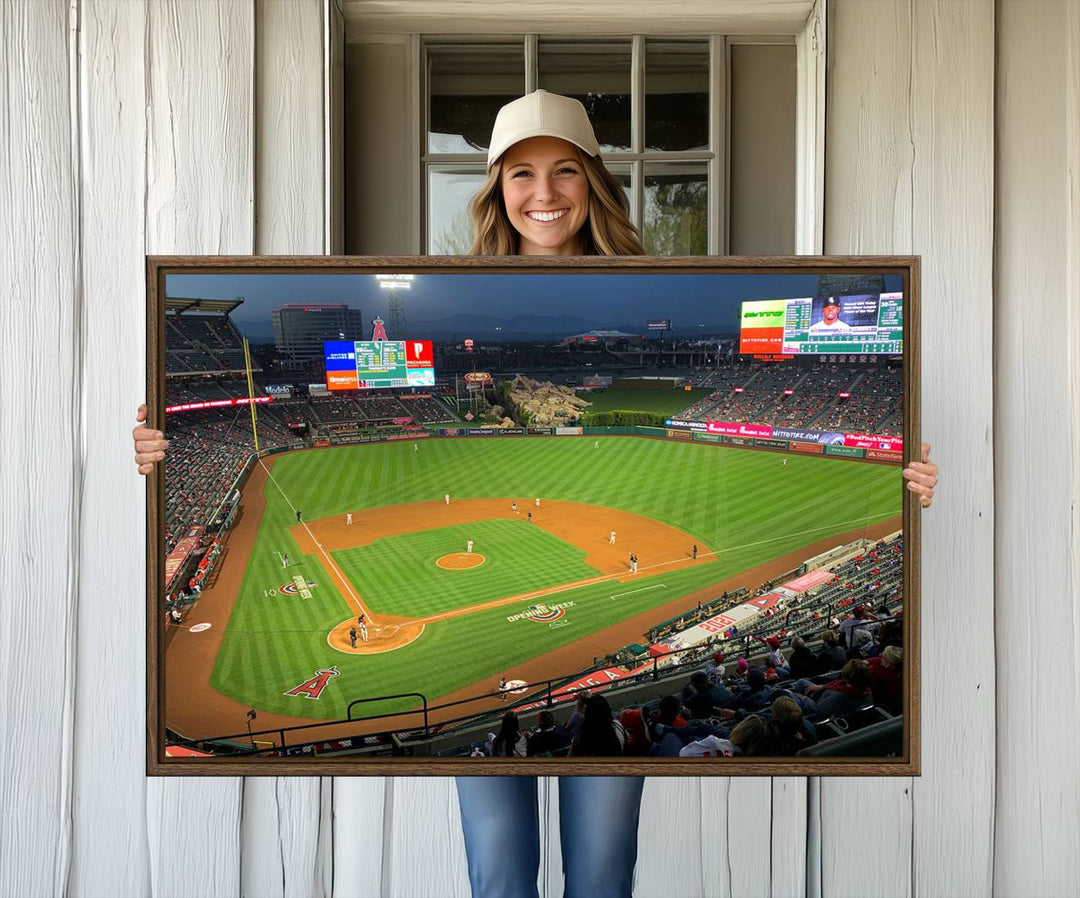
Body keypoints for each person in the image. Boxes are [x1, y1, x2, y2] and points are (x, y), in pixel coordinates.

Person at [131, 90, 939, 898]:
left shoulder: (666, 274)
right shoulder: (452, 275)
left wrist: (913, 484)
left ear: (594, 181)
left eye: (564, 172)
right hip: (522, 732)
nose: (544, 194)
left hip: (597, 734)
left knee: (599, 874)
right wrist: (156, 445)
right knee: (500, 875)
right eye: (521, 173)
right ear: (496, 188)